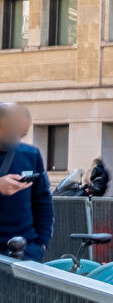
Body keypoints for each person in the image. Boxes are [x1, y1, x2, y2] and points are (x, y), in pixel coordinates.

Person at [0, 103, 53, 261]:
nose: (16, 139)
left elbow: (43, 201)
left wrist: (41, 243)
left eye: (21, 134)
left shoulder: (30, 154)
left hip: (26, 250)